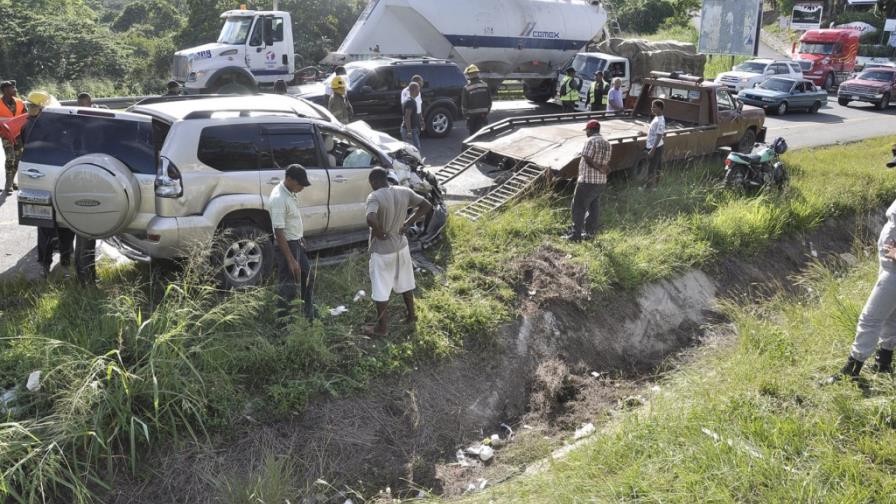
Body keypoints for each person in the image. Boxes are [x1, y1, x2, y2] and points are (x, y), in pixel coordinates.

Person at [827, 146, 896, 383]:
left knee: (870, 318)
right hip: (889, 268)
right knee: (890, 317)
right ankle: (883, 362)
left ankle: (851, 370)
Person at [364, 167, 432, 336]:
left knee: (381, 288)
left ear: (373, 182)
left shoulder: (375, 196)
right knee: (406, 282)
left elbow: (370, 217)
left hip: (382, 251)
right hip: (401, 246)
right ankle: (412, 316)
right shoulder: (404, 191)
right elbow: (426, 205)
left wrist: (379, 233)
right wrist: (408, 223)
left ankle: (382, 328)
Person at [24, 91, 76, 278]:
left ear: (43, 108)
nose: (29, 109)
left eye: (32, 106)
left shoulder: (43, 125)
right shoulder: (33, 126)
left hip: (51, 182)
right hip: (48, 182)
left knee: (57, 226)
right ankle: (54, 263)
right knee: (55, 226)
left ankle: (57, 262)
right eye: (29, 106)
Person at [271, 164, 315, 321]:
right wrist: (290, 260)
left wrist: (300, 236)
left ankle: (309, 315)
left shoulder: (290, 191)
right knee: (287, 287)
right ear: (289, 179)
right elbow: (279, 232)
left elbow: (291, 219)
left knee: (307, 277)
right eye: (300, 184)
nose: (302, 188)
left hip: (295, 242)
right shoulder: (278, 198)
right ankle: (283, 323)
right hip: (287, 247)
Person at [566, 120, 611, 242]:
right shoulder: (607, 143)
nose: (586, 133)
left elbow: (586, 157)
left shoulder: (590, 141)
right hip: (600, 182)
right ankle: (590, 234)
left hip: (587, 181)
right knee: (593, 208)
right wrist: (602, 168)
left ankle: (576, 236)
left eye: (587, 131)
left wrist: (598, 167)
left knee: (579, 207)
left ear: (590, 130)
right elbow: (606, 163)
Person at [1, 80, 26, 195]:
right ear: (5, 90)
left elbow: (26, 116)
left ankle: (12, 180)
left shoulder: (20, 102)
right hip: (6, 135)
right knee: (10, 158)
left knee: (18, 158)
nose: (15, 90)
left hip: (18, 135)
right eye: (12, 88)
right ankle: (8, 184)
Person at [461, 64, 492, 136]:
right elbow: (489, 101)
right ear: (477, 73)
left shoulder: (466, 88)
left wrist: (466, 116)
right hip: (483, 114)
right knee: (483, 133)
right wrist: (486, 112)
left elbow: (464, 105)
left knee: (473, 135)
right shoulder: (485, 85)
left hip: (472, 116)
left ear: (469, 75)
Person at [644, 100, 666, 190]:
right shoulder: (656, 118)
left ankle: (649, 188)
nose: (652, 108)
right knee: (656, 166)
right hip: (653, 145)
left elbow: (659, 136)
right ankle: (654, 186)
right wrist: (644, 133)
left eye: (654, 107)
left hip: (656, 147)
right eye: (652, 106)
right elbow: (653, 131)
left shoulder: (660, 121)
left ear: (659, 108)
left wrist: (652, 150)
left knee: (652, 167)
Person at [402, 82, 422, 151]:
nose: (419, 91)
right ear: (413, 90)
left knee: (413, 150)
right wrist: (409, 132)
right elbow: (407, 117)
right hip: (410, 130)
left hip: (413, 129)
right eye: (418, 89)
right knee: (413, 151)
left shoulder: (411, 100)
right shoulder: (410, 102)